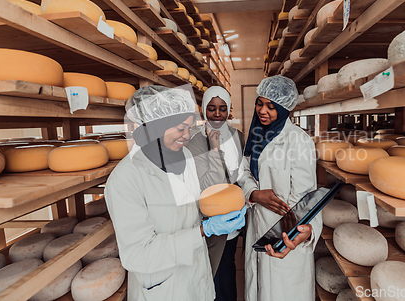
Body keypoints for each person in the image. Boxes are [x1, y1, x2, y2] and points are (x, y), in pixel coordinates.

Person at [104, 85, 247, 301]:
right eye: (181, 128)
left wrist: (216, 212)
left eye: (189, 127)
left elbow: (189, 208)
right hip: (164, 290)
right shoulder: (125, 179)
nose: (187, 135)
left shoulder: (185, 156)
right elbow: (138, 255)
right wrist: (203, 230)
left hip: (198, 281)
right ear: (154, 127)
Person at [237, 75, 321, 301]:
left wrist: (304, 232)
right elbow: (243, 171)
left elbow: (307, 197)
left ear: (285, 108)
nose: (262, 111)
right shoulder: (255, 135)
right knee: (257, 287)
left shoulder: (298, 141)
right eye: (259, 103)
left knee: (282, 292)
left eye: (271, 107)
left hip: (285, 230)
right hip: (256, 224)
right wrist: (254, 194)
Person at [187, 86, 245, 301]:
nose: (217, 114)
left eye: (222, 108)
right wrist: (214, 149)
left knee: (228, 267)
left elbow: (242, 174)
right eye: (211, 109)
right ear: (204, 110)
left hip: (235, 218)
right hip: (212, 220)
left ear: (229, 110)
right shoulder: (194, 142)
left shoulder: (237, 136)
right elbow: (209, 185)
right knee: (214, 273)